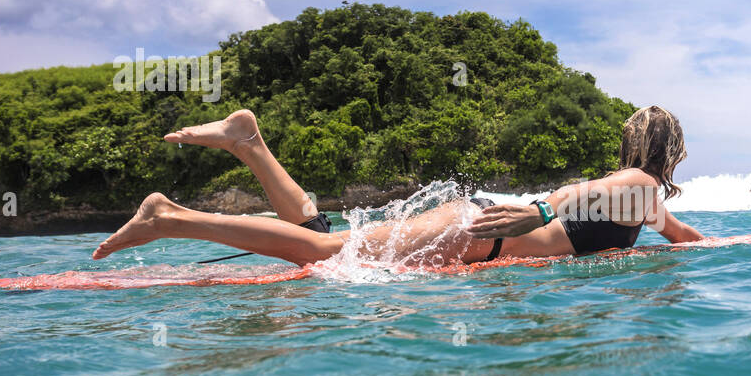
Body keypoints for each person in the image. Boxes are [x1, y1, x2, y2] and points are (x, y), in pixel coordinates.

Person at [93, 106, 702, 266]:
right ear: (669, 153)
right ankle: (169, 216)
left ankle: (249, 142)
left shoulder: (643, 203)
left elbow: (681, 236)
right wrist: (537, 209)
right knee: (329, 257)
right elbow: (577, 195)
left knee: (321, 235)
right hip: (479, 234)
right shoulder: (640, 184)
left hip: (476, 232)